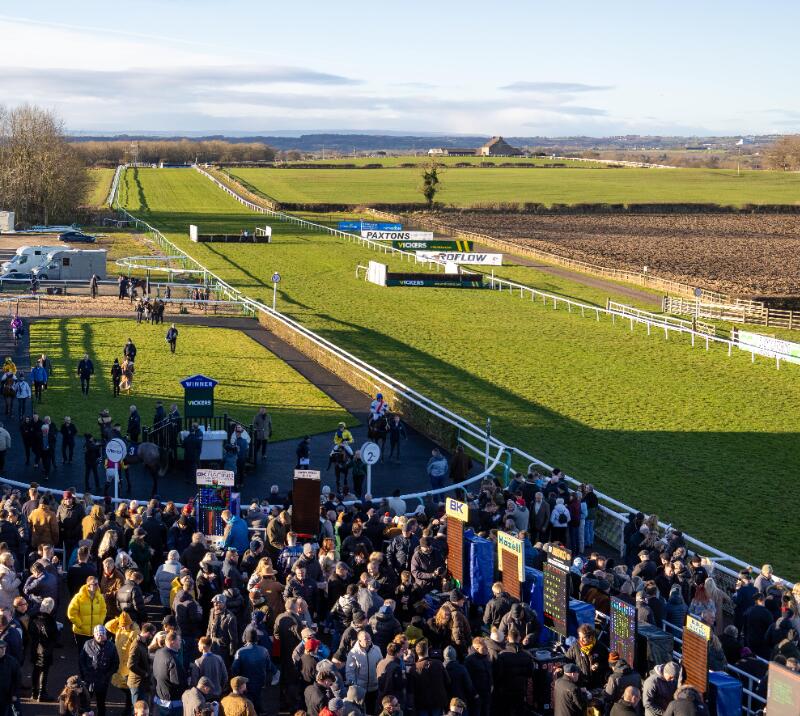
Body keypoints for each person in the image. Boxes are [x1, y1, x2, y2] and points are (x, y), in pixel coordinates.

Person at [79, 624, 120, 716]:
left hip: (102, 680)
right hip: (89, 679)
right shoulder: (87, 644)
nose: (99, 636)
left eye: (101, 634)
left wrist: (107, 676)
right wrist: (85, 673)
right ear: (94, 635)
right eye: (97, 634)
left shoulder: (111, 646)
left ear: (105, 635)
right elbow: (82, 660)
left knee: (101, 703)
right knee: (85, 701)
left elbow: (115, 663)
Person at [67, 575, 107, 651]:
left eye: (97, 584)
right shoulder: (79, 597)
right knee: (82, 654)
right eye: (94, 584)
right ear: (88, 586)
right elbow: (71, 613)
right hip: (81, 632)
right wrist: (80, 624)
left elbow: (103, 610)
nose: (97, 586)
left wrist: (99, 622)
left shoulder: (100, 597)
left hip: (94, 633)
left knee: (94, 655)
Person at [153, 630, 187, 716]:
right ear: (172, 642)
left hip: (159, 698)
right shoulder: (173, 660)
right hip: (172, 703)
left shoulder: (158, 652)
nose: (180, 643)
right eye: (179, 640)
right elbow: (177, 682)